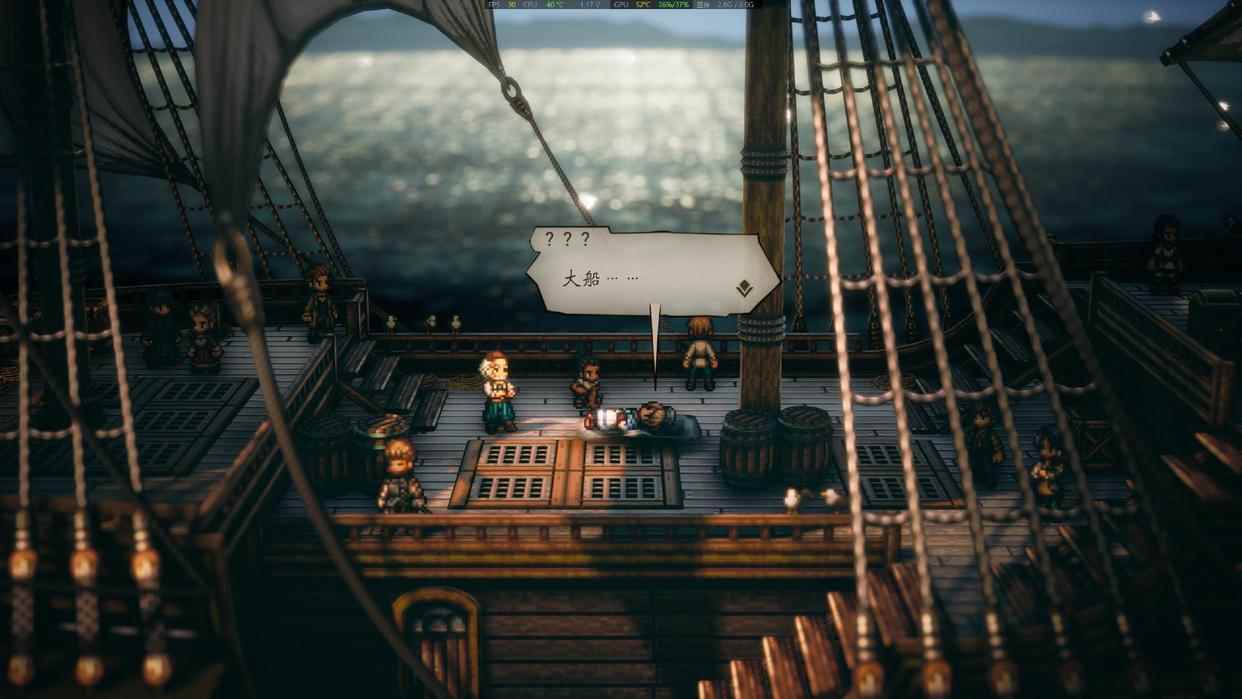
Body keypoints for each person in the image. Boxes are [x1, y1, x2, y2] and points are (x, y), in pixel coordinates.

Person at [376, 437, 429, 513]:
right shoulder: (387, 483)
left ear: (409, 463)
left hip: (408, 512)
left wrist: (417, 502)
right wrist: (382, 502)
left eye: (399, 464)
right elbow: (383, 495)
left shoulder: (410, 482)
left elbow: (417, 496)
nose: (394, 467)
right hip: (391, 512)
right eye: (391, 464)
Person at [967, 407, 1005, 490]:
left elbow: (996, 443)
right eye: (975, 419)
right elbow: (970, 442)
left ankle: (990, 481)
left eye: (978, 419)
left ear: (987, 420)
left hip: (987, 454)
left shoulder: (990, 433)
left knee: (988, 468)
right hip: (977, 453)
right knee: (977, 466)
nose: (975, 421)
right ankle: (978, 478)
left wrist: (998, 453)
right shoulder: (975, 432)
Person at [480, 351, 518, 434]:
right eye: (496, 369)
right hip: (493, 402)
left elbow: (512, 389)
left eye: (505, 369)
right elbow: (488, 392)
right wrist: (495, 394)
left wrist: (512, 392)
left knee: (506, 412)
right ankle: (492, 425)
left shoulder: (506, 382)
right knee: (492, 413)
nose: (501, 372)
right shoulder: (488, 383)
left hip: (504, 401)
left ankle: (508, 423)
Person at [1031, 425, 1067, 510]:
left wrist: (1047, 475)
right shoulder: (1043, 459)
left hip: (1053, 486)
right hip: (1042, 486)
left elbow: (1059, 471)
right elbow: (1037, 467)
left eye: (1046, 449)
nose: (1043, 452)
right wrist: (1035, 471)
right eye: (1041, 449)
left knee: (1053, 495)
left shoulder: (1059, 460)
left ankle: (1054, 508)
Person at [1146, 213, 1184, 294]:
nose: (1172, 237)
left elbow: (1179, 264)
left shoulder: (1175, 250)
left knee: (1171, 278)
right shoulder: (1159, 249)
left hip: (1171, 271)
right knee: (1159, 277)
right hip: (1160, 269)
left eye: (1174, 234)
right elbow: (1152, 263)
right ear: (1160, 234)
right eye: (1168, 234)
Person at [142, 289, 180, 368]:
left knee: (170, 351)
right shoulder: (151, 319)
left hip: (168, 341)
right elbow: (148, 330)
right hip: (156, 341)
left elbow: (175, 329)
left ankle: (170, 361)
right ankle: (155, 362)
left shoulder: (171, 319)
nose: (164, 309)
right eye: (160, 307)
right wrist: (146, 338)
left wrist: (178, 336)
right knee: (155, 352)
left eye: (167, 307)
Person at [301, 263, 338, 343]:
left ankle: (328, 337)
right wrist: (307, 313)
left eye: (326, 282)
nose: (323, 285)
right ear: (312, 283)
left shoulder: (328, 297)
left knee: (328, 327)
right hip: (316, 317)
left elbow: (332, 306)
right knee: (315, 327)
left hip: (327, 316)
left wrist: (334, 312)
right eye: (319, 282)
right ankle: (315, 337)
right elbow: (309, 307)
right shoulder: (314, 297)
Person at [682, 316, 718, 392]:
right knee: (708, 374)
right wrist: (714, 361)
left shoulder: (694, 344)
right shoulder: (706, 344)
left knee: (692, 374)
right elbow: (711, 355)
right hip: (705, 363)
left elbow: (689, 354)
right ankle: (709, 386)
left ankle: (691, 385)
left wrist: (686, 361)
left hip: (695, 362)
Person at [185, 306, 224, 374]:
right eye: (194, 323)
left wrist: (216, 351)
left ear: (210, 323)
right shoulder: (192, 335)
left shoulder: (212, 336)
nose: (197, 326)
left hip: (211, 363)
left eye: (202, 323)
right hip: (196, 364)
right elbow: (189, 348)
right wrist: (191, 351)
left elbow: (217, 349)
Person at [570, 356, 603, 427]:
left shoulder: (595, 384)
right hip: (584, 393)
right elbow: (574, 386)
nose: (594, 375)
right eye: (589, 372)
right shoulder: (580, 380)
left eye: (597, 372)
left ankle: (592, 413)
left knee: (593, 392)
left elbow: (595, 385)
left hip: (591, 399)